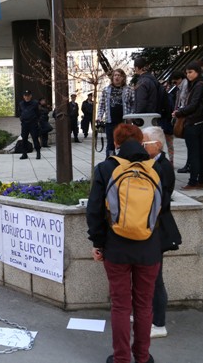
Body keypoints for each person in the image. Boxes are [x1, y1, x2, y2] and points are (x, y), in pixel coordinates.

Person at [86, 123, 167, 363]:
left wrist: (98, 244)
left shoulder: (105, 168)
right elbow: (163, 209)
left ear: (116, 143)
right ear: (141, 142)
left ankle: (121, 358)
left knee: (121, 306)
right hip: (149, 249)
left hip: (116, 248)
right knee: (144, 305)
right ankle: (142, 357)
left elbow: (94, 211)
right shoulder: (158, 169)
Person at [141, 126, 181, 339]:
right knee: (147, 276)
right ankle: (146, 314)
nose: (141, 146)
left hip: (158, 229)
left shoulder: (162, 167)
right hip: (151, 227)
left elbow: (161, 201)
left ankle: (159, 323)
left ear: (157, 145)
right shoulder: (154, 164)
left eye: (144, 143)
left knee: (156, 278)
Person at [173, 61, 203, 190]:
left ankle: (194, 181)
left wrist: (179, 112)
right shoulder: (196, 85)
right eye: (187, 72)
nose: (188, 75)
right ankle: (201, 180)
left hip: (195, 123)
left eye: (191, 72)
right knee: (201, 153)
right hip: (200, 122)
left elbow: (193, 105)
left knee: (195, 153)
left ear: (197, 72)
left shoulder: (198, 86)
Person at [97, 69, 135, 157]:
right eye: (115, 75)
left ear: (123, 78)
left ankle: (124, 161)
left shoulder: (129, 90)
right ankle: (110, 162)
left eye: (119, 75)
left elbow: (134, 104)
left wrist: (131, 116)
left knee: (124, 143)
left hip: (124, 122)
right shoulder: (106, 90)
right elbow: (101, 105)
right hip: (110, 122)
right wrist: (99, 116)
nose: (117, 77)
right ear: (112, 77)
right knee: (110, 144)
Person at [17, 90, 41, 160]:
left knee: (35, 138)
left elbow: (38, 113)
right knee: (24, 138)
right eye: (25, 96)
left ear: (30, 96)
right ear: (23, 96)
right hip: (24, 124)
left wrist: (36, 121)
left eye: (28, 96)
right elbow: (20, 112)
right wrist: (21, 119)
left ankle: (38, 152)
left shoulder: (35, 103)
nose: (26, 97)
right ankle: (24, 154)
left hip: (33, 123)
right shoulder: (21, 104)